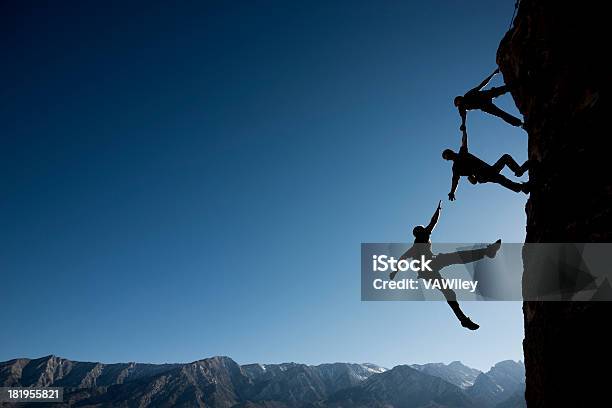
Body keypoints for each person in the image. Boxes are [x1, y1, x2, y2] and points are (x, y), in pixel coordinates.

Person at [390, 201, 502, 330]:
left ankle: (487, 252)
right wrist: (395, 271)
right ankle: (463, 319)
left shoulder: (422, 238)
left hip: (432, 264)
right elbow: (403, 258)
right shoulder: (416, 246)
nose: (427, 232)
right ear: (419, 234)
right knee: (450, 282)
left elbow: (431, 224)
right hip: (427, 270)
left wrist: (438, 210)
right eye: (423, 231)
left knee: (452, 272)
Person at [443, 128, 530, 201]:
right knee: (500, 177)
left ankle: (520, 178)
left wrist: (464, 131)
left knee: (503, 167)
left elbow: (464, 140)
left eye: (449, 154)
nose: (451, 156)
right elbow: (455, 180)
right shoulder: (456, 166)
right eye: (449, 156)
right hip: (482, 175)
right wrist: (452, 192)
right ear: (449, 158)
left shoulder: (462, 153)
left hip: (488, 170)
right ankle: (521, 183)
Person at [454, 68, 523, 130]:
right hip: (485, 106)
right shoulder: (461, 108)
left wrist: (493, 74)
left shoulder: (468, 95)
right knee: (501, 114)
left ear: (460, 99)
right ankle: (520, 123)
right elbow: (463, 116)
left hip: (486, 95)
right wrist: (463, 124)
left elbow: (482, 85)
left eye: (459, 102)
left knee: (503, 89)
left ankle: (518, 83)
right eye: (458, 104)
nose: (460, 104)